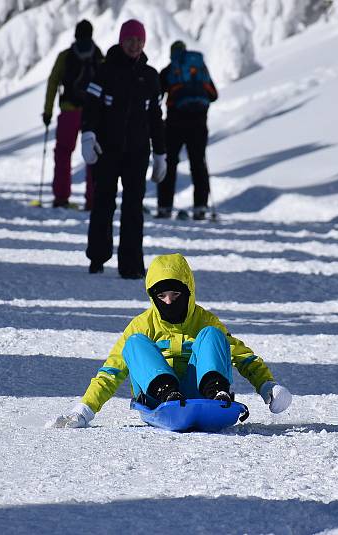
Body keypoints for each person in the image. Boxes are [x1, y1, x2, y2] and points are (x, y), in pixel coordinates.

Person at [51, 253, 292, 428]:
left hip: (203, 393)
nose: (168, 302)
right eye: (161, 295)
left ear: (188, 292)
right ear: (152, 297)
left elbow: (242, 357)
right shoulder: (142, 324)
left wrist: (267, 386)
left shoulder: (205, 320)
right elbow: (112, 371)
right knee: (134, 343)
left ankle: (217, 392)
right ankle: (168, 393)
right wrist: (84, 409)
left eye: (176, 294)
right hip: (159, 399)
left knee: (212, 335)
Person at [81, 19, 166, 279]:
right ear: (121, 41)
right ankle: (97, 256)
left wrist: (160, 153)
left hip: (137, 153)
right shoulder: (104, 72)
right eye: (130, 40)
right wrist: (87, 134)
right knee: (104, 202)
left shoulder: (150, 76)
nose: (135, 45)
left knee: (133, 207)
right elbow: (91, 107)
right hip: (107, 151)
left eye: (139, 41)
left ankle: (131, 265)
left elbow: (155, 117)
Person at [42, 20, 103, 210]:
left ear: (76, 34)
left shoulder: (66, 56)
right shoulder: (98, 54)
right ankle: (93, 200)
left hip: (69, 110)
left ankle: (61, 197)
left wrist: (48, 111)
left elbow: (53, 83)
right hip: (93, 113)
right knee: (93, 155)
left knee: (63, 154)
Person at [156, 41, 218, 220]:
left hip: (174, 124)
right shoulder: (199, 68)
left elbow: (157, 96)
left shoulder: (169, 71)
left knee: (170, 164)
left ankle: (165, 207)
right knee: (198, 164)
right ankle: (200, 207)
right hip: (199, 124)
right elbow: (213, 95)